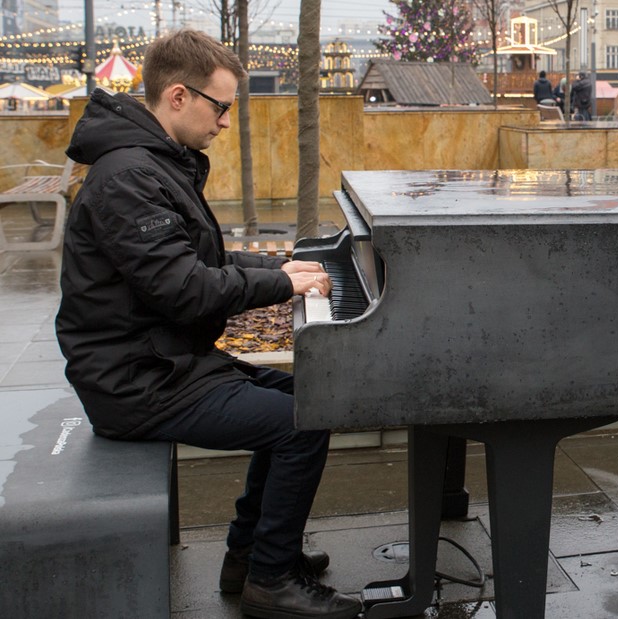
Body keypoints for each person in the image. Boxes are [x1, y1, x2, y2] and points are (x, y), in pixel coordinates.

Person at [55, 29, 361, 619]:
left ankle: (249, 556)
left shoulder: (153, 165)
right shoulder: (129, 178)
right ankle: (271, 581)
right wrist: (282, 284)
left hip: (163, 360)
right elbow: (186, 289)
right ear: (177, 96)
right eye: (220, 107)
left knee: (309, 395)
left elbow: (201, 262)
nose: (225, 123)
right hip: (137, 381)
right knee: (302, 424)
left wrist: (280, 266)